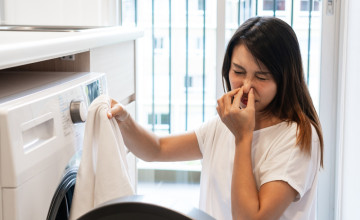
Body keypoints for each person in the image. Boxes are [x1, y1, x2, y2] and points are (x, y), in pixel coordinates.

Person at [107, 16, 324, 220]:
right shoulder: (225, 123)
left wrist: (242, 137)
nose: (246, 86)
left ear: (285, 78)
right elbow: (157, 149)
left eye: (261, 76)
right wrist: (126, 122)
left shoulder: (297, 137)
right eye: (238, 72)